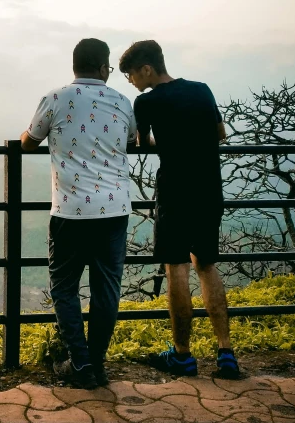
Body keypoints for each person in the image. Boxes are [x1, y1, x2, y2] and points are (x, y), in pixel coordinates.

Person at [119, 40, 240, 379]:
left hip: (175, 191)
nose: (131, 81)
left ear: (146, 69)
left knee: (176, 269)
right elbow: (220, 133)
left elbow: (142, 144)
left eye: (131, 74)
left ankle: (183, 356)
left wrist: (170, 141)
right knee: (207, 265)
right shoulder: (202, 90)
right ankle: (226, 352)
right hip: (209, 188)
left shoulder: (147, 101)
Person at [20, 38, 136, 389]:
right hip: (115, 210)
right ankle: (96, 362)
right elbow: (132, 141)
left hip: (70, 211)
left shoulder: (55, 98)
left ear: (75, 65)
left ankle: (81, 364)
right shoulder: (122, 101)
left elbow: (28, 142)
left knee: (64, 287)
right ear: (103, 68)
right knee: (106, 289)